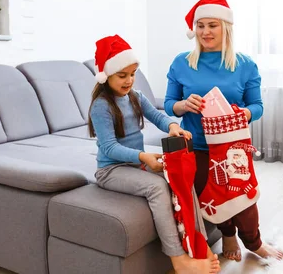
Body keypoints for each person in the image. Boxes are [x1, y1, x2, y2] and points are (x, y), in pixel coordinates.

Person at [164, 0, 283, 261]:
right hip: (195, 146)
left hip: (233, 147)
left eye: (212, 25)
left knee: (244, 197)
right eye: (200, 25)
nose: (205, 32)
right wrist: (183, 105)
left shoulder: (244, 64)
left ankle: (254, 242)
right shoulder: (181, 62)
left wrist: (243, 113)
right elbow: (169, 103)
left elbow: (258, 107)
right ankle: (228, 235)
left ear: (225, 27)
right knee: (212, 197)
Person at [89, 34, 220, 274]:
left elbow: (158, 115)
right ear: (107, 75)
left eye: (133, 74)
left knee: (182, 177)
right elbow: (108, 148)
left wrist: (173, 126)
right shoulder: (101, 106)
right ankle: (179, 261)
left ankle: (200, 245)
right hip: (111, 170)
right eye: (122, 75)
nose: (129, 80)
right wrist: (143, 157)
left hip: (135, 165)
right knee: (158, 187)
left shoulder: (135, 97)